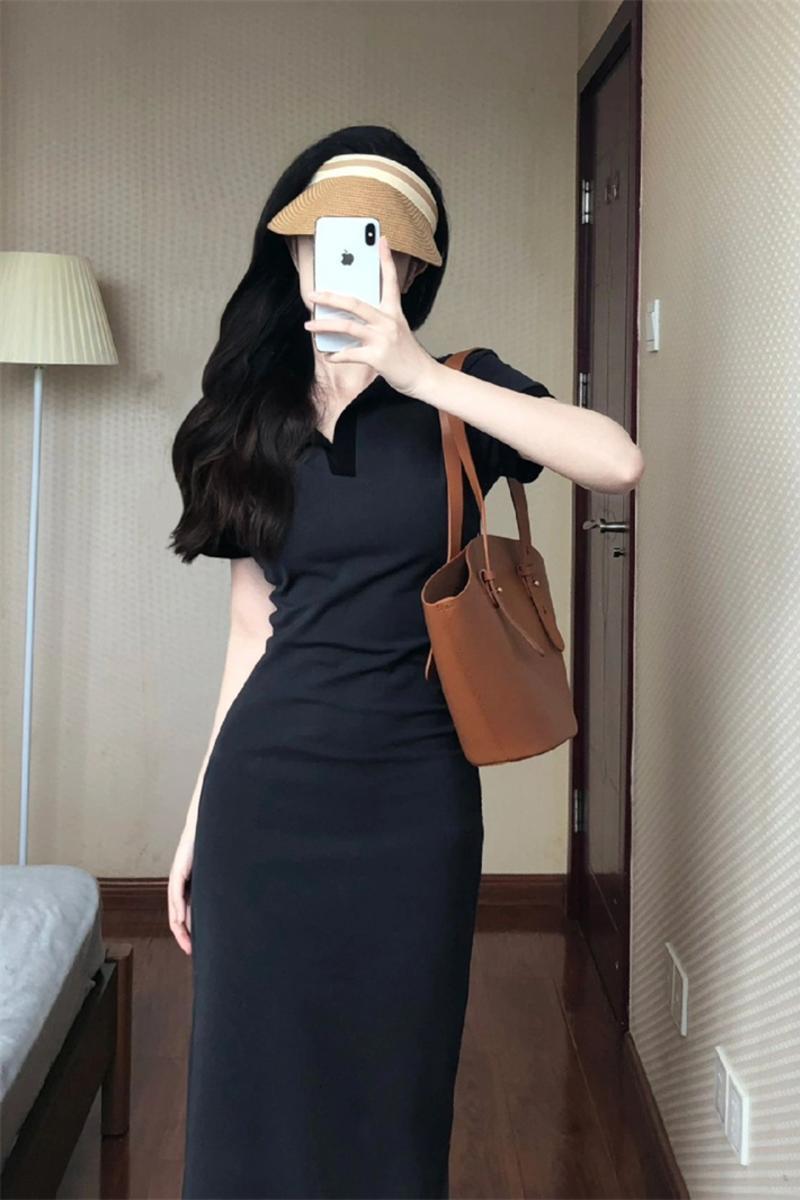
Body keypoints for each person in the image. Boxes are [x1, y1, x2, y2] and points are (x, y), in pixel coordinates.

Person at [168, 125, 643, 1200]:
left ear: (414, 269)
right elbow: (250, 631)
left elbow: (617, 460)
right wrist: (196, 820)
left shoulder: (462, 394)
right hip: (264, 799)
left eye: (374, 243)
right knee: (250, 1088)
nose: (341, 260)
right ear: (291, 257)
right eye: (320, 238)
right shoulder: (248, 420)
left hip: (414, 801)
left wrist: (417, 373)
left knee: (395, 1090)